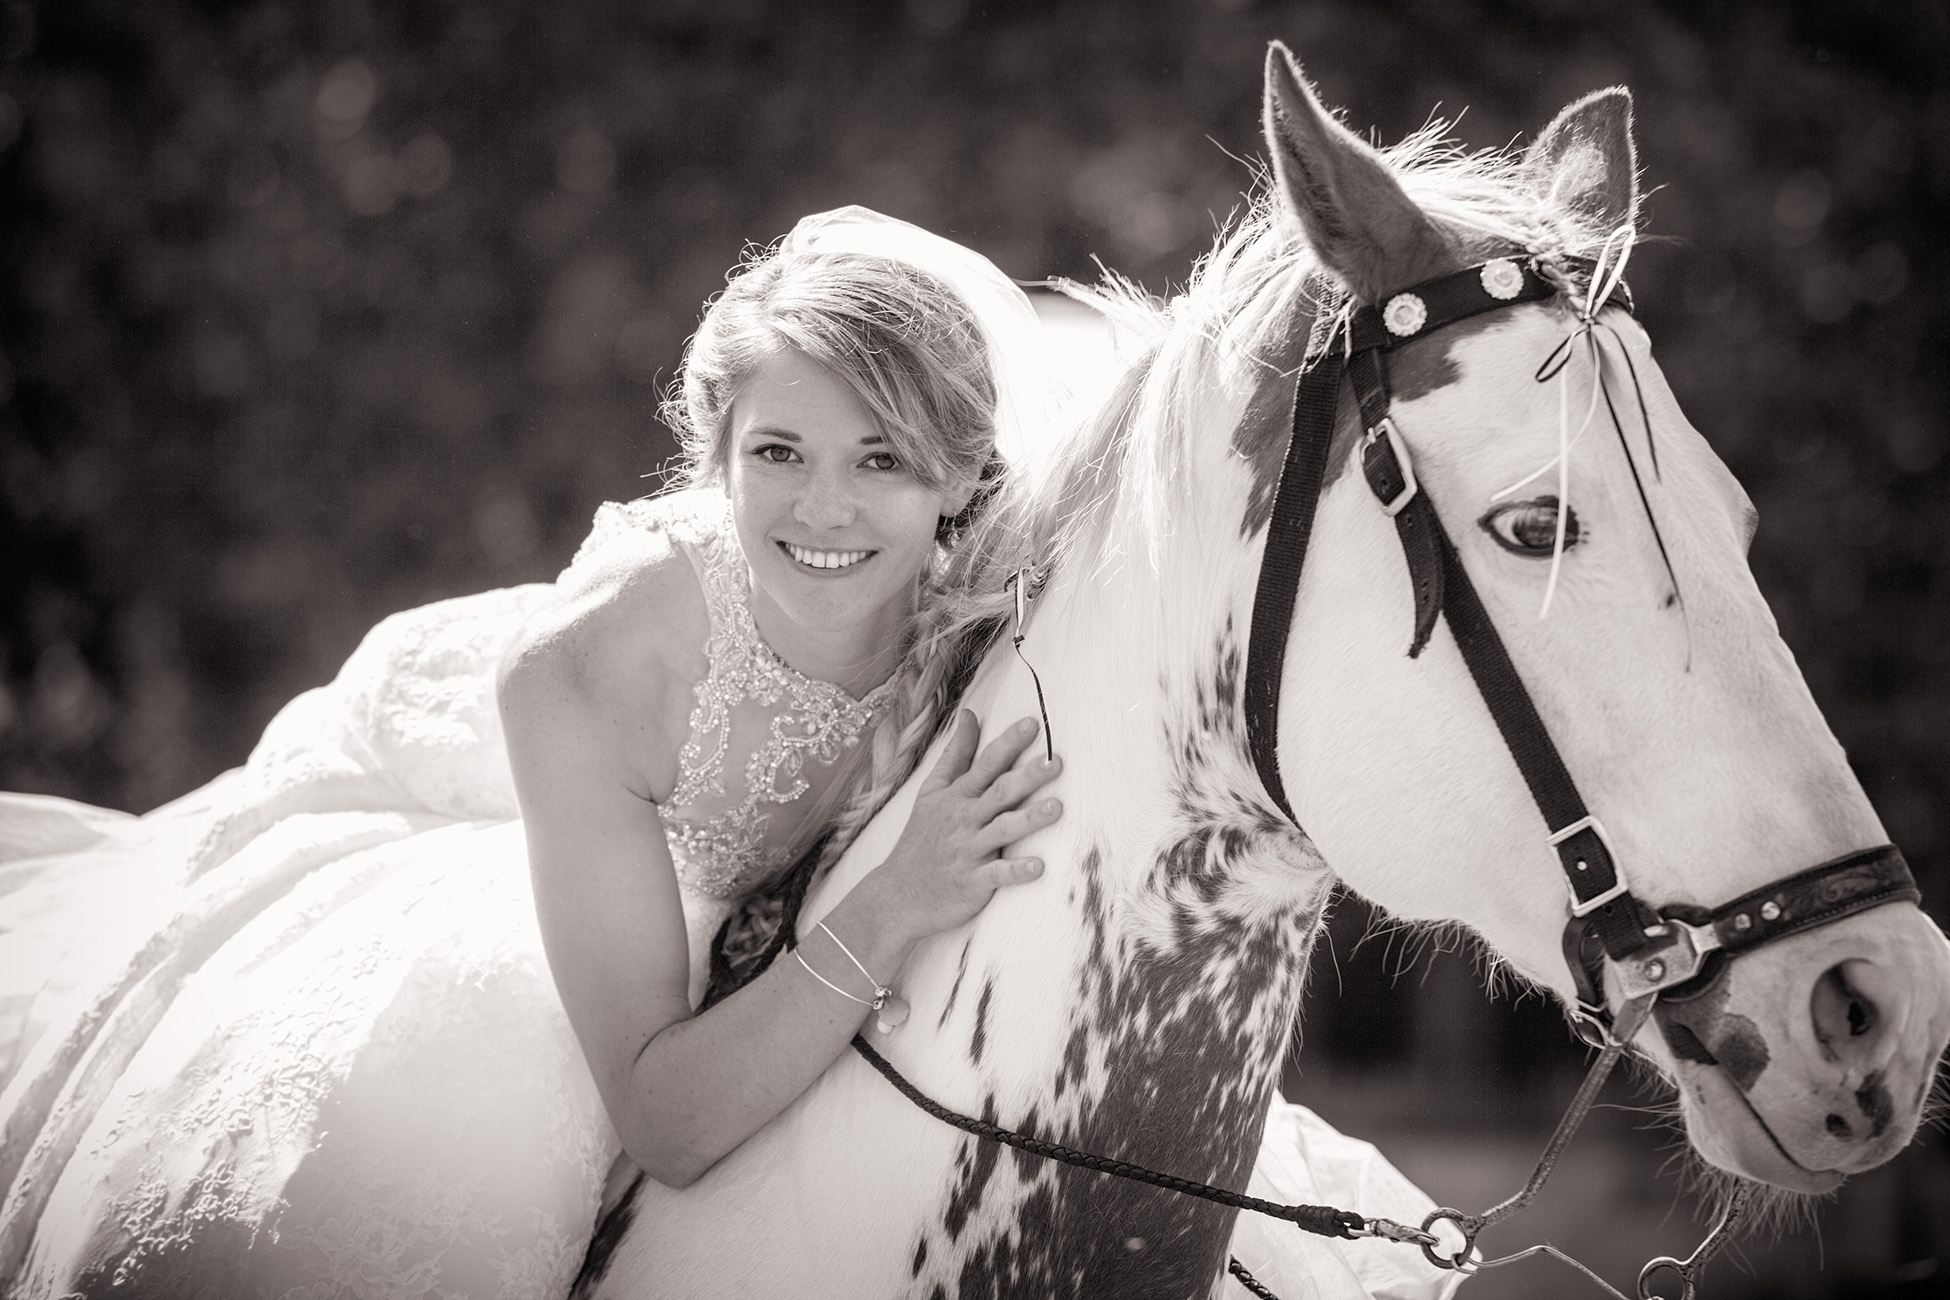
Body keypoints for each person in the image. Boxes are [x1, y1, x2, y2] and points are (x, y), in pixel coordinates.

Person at [0, 208, 1453, 1299]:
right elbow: (669, 1120)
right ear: (715, 449)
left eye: (883, 458)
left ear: (962, 479)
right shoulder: (586, 680)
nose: (825, 509)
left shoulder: (995, 599)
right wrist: (889, 907)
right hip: (537, 793)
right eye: (779, 451)